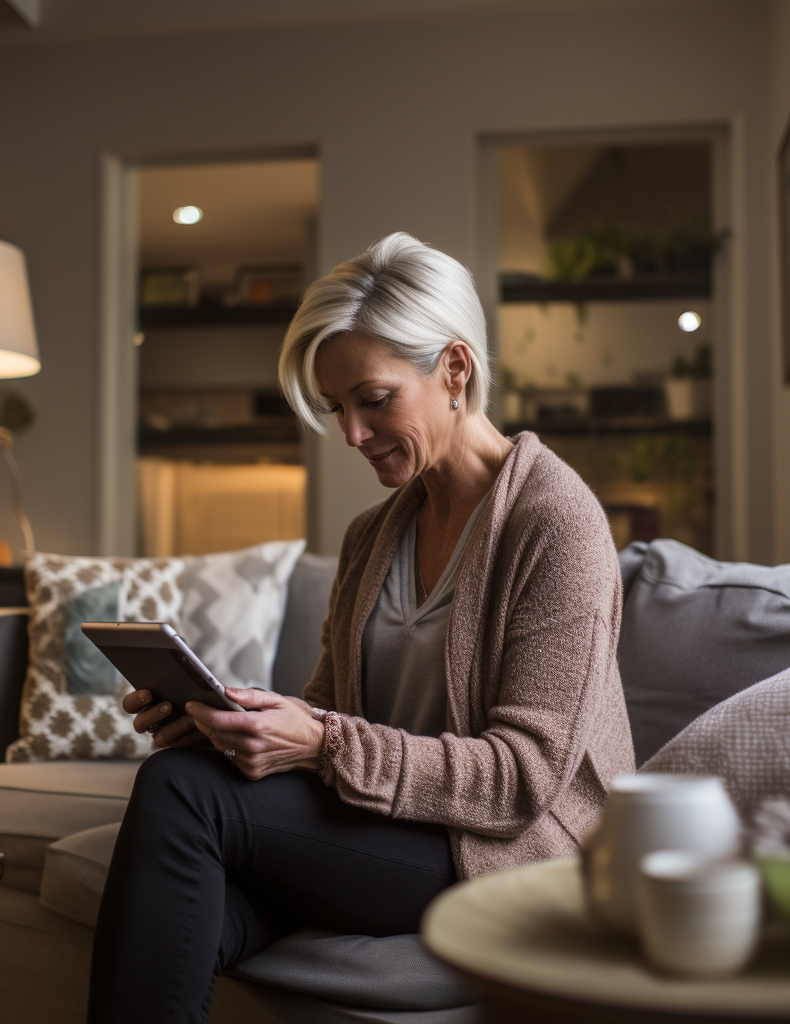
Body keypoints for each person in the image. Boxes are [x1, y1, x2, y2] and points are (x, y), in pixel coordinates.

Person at [87, 232, 635, 1024]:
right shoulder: (371, 537)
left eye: (373, 400)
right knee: (188, 874)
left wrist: (322, 744)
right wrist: (233, 727)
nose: (350, 434)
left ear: (455, 369)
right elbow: (329, 708)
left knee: (182, 800)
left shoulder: (556, 522)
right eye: (336, 407)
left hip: (502, 853)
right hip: (385, 830)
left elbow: (523, 777)